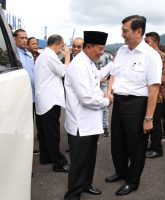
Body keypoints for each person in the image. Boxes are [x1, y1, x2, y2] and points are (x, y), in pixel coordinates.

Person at [105, 15, 162, 196]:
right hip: (120, 102)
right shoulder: (122, 50)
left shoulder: (151, 56)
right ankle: (121, 171)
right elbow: (113, 74)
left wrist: (148, 118)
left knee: (136, 146)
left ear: (138, 31)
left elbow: (153, 89)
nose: (122, 35)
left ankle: (132, 181)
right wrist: (109, 90)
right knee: (118, 142)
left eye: (125, 31)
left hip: (137, 104)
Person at [64, 31, 111, 200]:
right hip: (80, 123)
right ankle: (73, 194)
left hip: (91, 122)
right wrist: (106, 101)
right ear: (89, 47)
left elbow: (98, 76)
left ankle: (86, 184)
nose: (101, 53)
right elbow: (85, 98)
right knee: (79, 162)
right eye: (100, 49)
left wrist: (113, 65)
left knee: (90, 158)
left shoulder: (90, 63)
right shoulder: (78, 66)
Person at [35, 34, 70, 172]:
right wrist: (67, 56)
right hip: (50, 100)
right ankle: (59, 162)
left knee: (44, 132)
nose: (61, 49)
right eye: (61, 46)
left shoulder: (43, 55)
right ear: (56, 45)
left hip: (43, 99)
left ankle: (46, 157)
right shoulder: (49, 56)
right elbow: (63, 71)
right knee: (53, 133)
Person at [144, 32, 165, 158]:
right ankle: (152, 144)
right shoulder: (146, 56)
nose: (145, 44)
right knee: (149, 121)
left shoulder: (162, 57)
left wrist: (148, 80)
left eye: (147, 41)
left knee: (155, 122)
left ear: (156, 43)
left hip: (158, 95)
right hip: (146, 94)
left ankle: (157, 148)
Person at [14, 29, 39, 155]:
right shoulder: (14, 55)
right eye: (21, 38)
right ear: (14, 39)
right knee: (22, 125)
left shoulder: (29, 55)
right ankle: (22, 151)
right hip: (22, 96)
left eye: (25, 38)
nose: (24, 40)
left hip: (33, 96)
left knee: (30, 123)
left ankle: (28, 148)